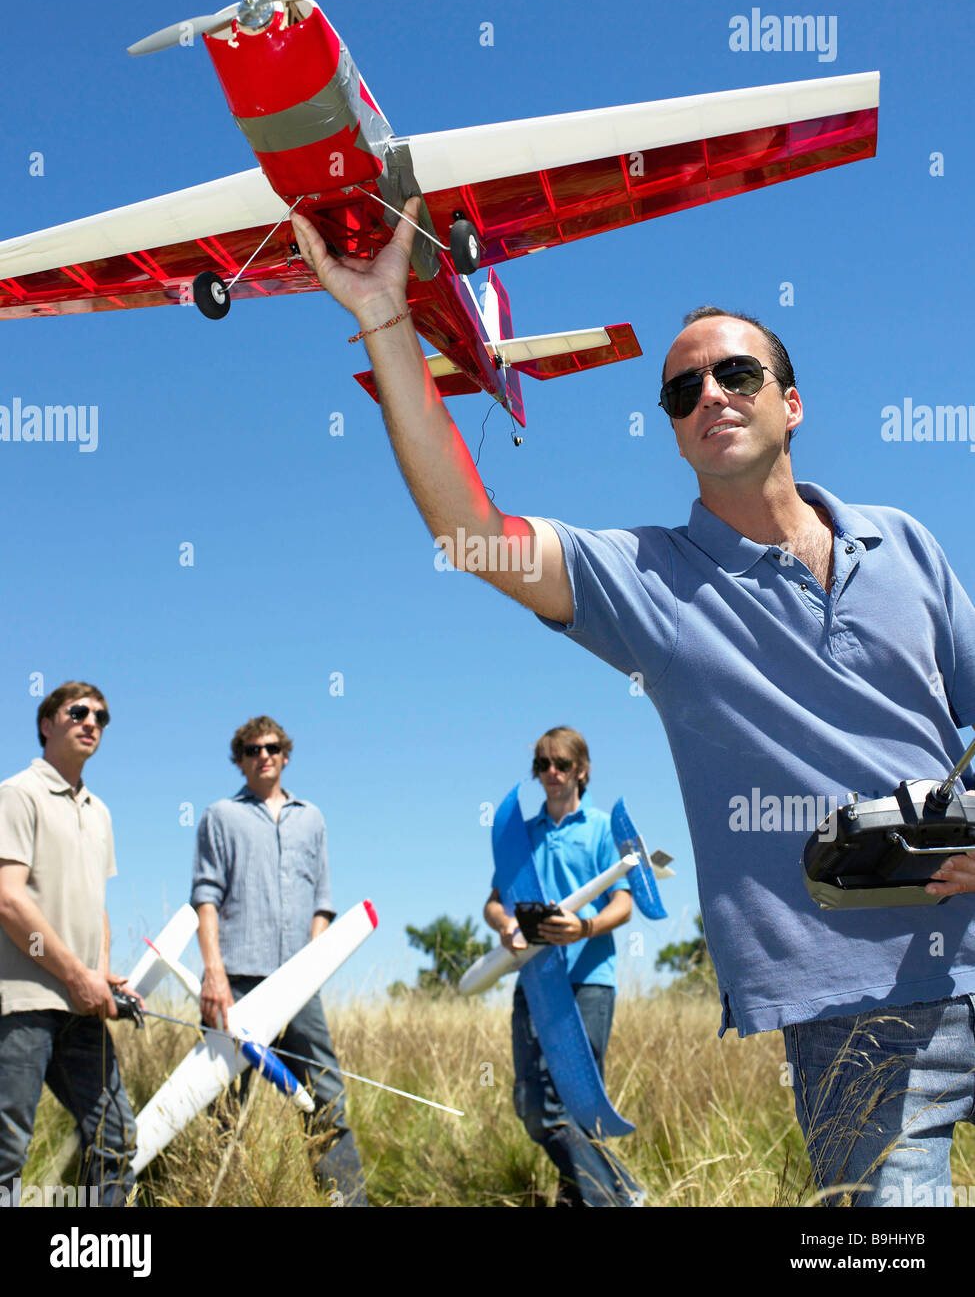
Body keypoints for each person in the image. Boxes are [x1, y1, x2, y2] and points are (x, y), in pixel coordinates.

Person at [292, 204, 975, 1208]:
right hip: (852, 1021)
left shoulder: (904, 543)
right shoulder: (649, 579)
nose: (709, 392)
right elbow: (467, 529)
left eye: (736, 373)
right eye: (681, 388)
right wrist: (386, 317)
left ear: (792, 402)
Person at [190, 715, 367, 1206]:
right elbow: (205, 899)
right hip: (237, 984)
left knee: (325, 1099)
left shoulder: (312, 817)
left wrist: (311, 968)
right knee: (223, 1108)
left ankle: (346, 1201)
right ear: (240, 759)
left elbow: (323, 902)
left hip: (298, 986)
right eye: (250, 749)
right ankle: (214, 1196)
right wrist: (214, 975)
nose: (262, 755)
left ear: (285, 755)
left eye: (270, 747)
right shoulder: (219, 816)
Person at [484, 726, 638, 1207]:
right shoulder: (521, 838)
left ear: (581, 771)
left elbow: (624, 904)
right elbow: (492, 903)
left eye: (562, 764)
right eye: (543, 764)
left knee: (575, 1103)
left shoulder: (598, 830)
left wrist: (585, 928)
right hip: (535, 979)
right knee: (535, 1106)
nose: (552, 772)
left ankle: (602, 1200)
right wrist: (505, 923)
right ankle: (624, 1191)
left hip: (589, 980)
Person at [0, 681, 137, 1206]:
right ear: (46, 724)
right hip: (24, 1003)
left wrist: (98, 972)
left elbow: (96, 905)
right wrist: (75, 975)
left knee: (116, 1139)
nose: (91, 722)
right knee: (8, 1148)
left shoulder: (99, 811)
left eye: (101, 716)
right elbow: (9, 902)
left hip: (81, 1007)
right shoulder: (18, 793)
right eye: (78, 712)